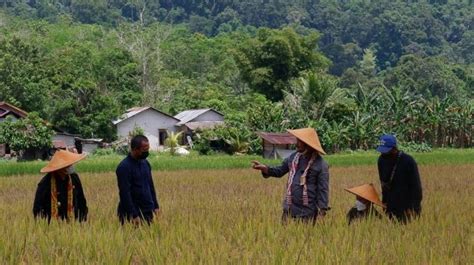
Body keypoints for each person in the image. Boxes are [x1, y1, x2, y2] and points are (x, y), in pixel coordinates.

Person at [252, 128, 329, 224]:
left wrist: (322, 212)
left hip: (307, 212)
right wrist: (266, 169)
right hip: (289, 209)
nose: (296, 144)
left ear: (308, 144)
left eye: (299, 142)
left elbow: (323, 190)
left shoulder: (320, 164)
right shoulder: (294, 157)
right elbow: (280, 171)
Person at [376, 134, 423, 223]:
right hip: (391, 207)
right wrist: (384, 201)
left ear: (394, 148)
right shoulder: (381, 161)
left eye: (386, 151)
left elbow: (416, 187)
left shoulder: (408, 161)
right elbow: (384, 184)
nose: (383, 153)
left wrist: (414, 207)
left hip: (407, 207)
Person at [33, 150, 88, 222]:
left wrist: (83, 220)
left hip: (72, 223)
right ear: (60, 168)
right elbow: (37, 208)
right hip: (52, 223)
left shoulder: (74, 178)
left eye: (70, 165)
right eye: (67, 165)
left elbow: (81, 201)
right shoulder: (45, 183)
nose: (70, 167)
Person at [116, 135, 160, 225]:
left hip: (147, 210)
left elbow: (150, 186)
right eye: (144, 150)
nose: (147, 152)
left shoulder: (145, 163)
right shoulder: (124, 167)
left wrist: (155, 206)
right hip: (132, 213)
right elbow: (125, 193)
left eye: (148, 149)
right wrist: (133, 215)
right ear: (135, 149)